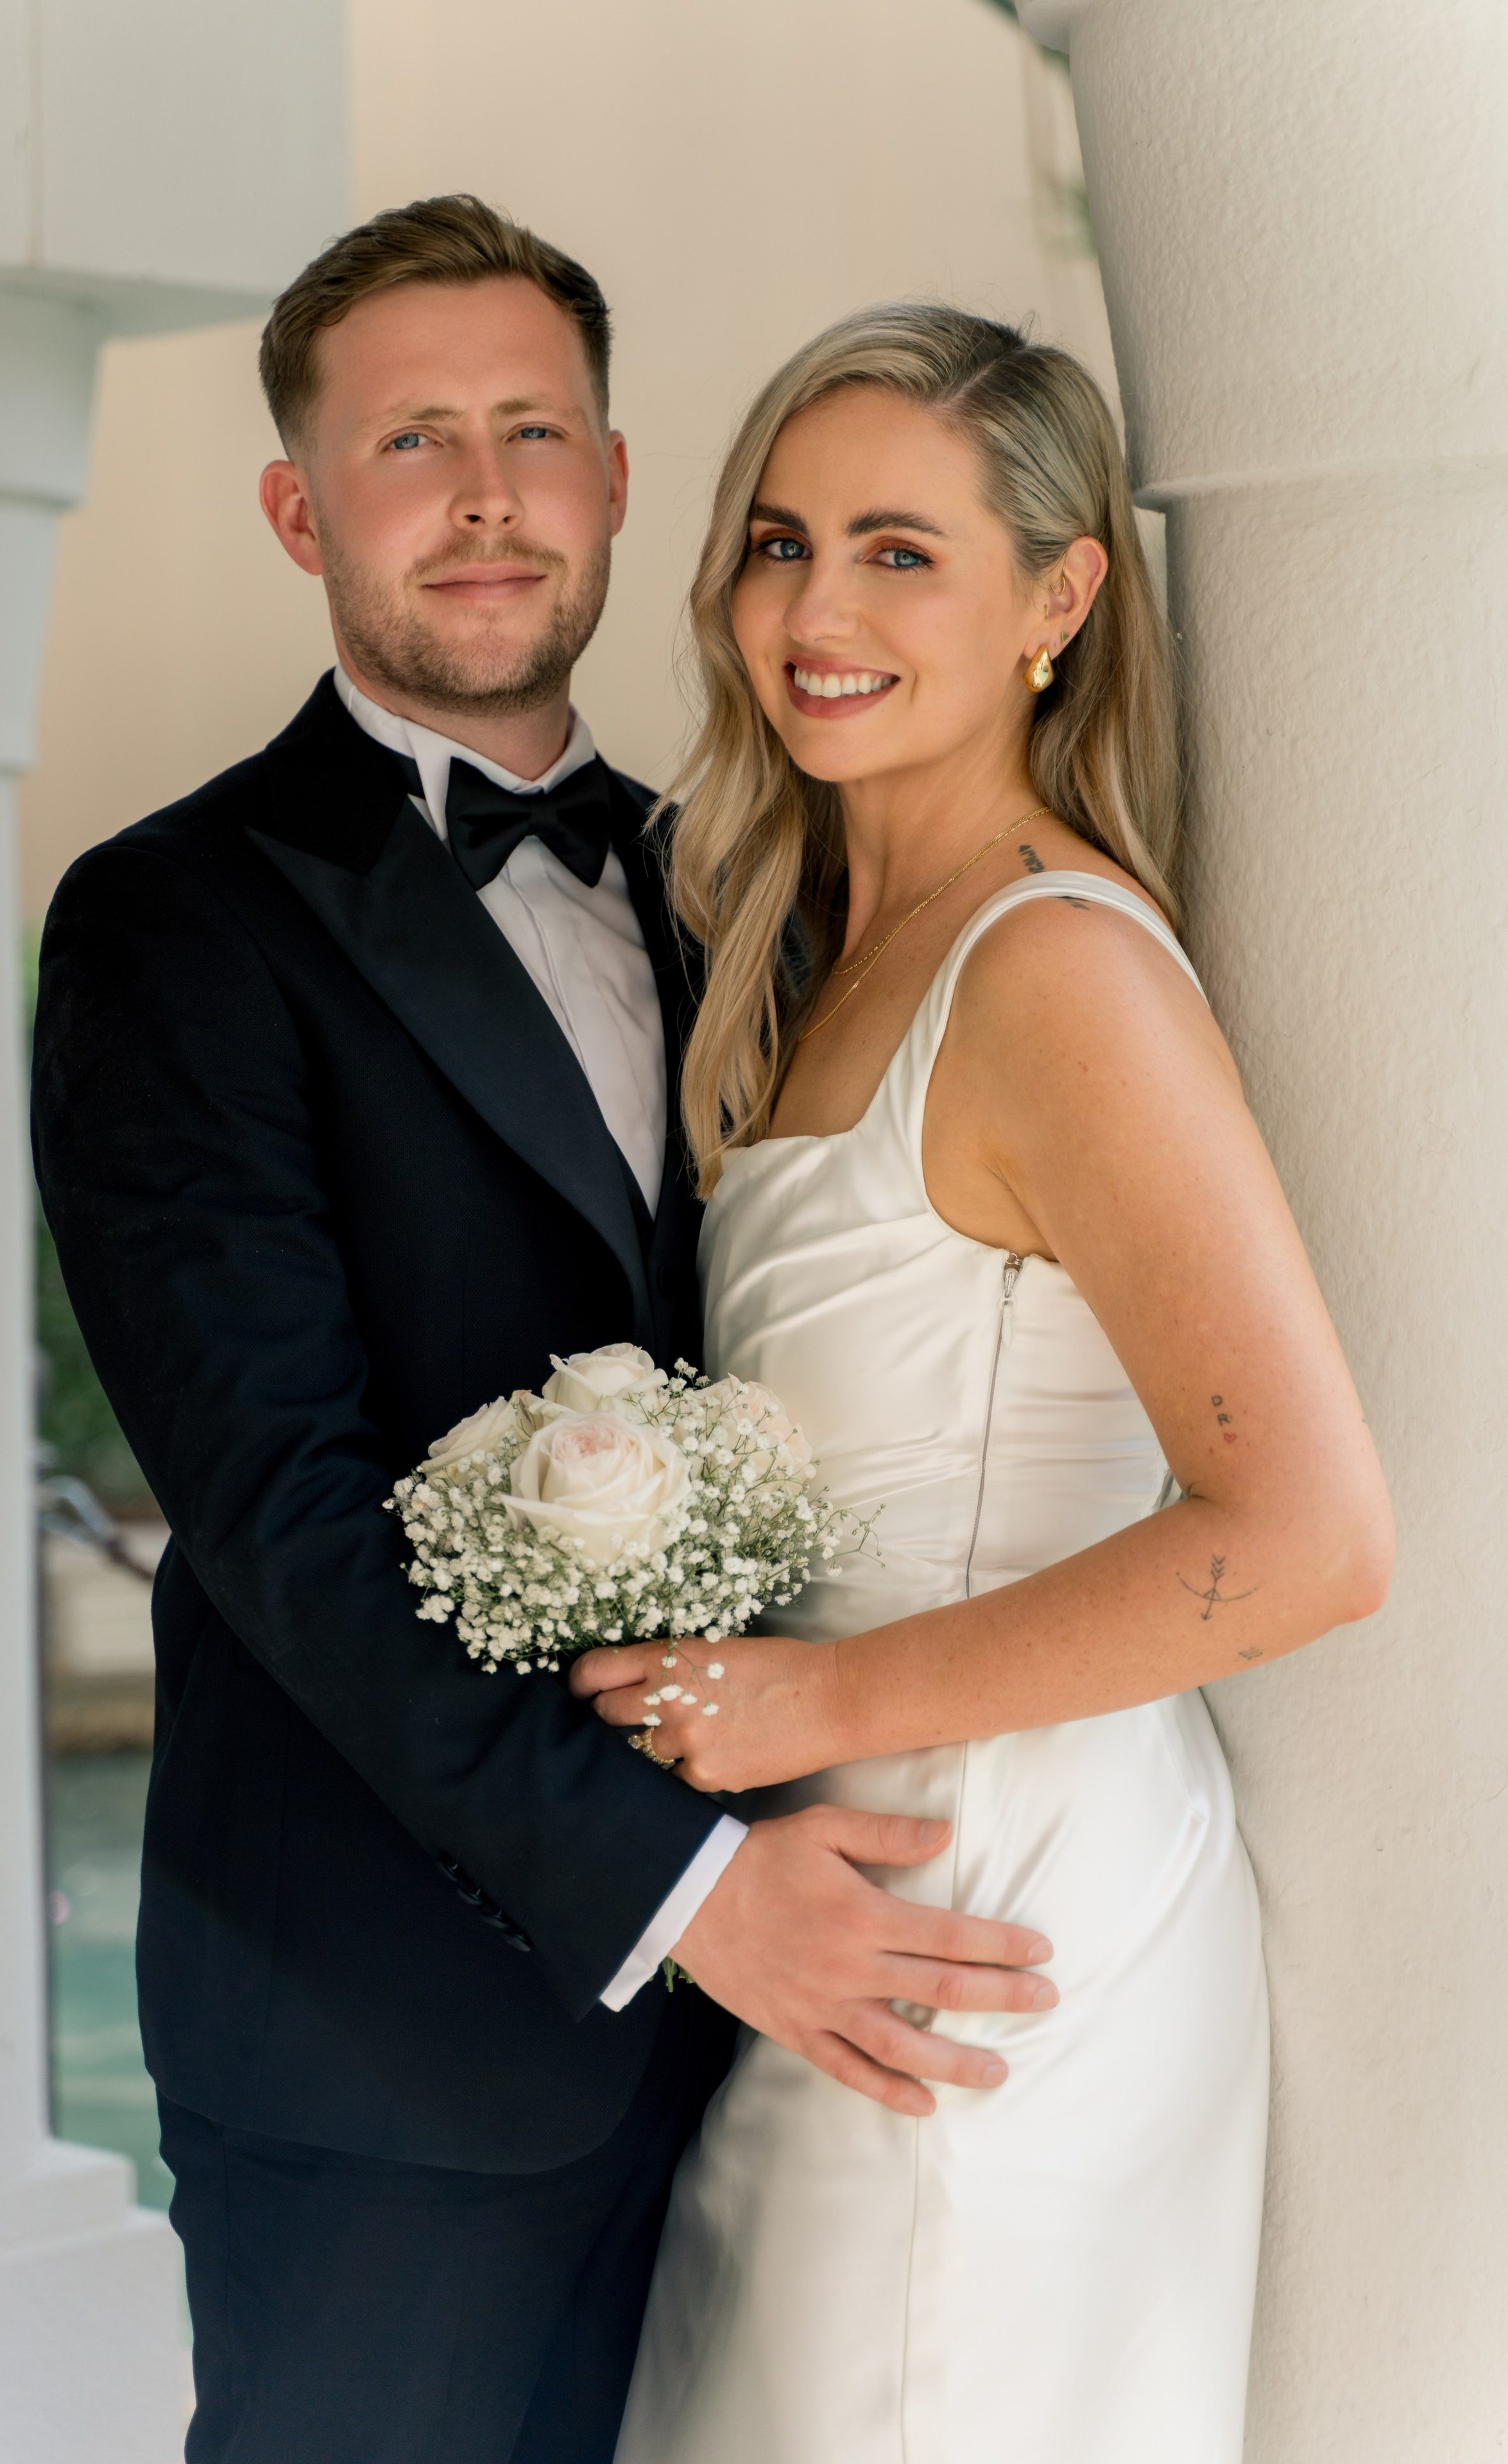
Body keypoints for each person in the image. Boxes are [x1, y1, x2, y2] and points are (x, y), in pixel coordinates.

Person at [30, 207, 1054, 2464]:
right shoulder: (173, 925)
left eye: (530, 433)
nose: (483, 496)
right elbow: (284, 1516)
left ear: (610, 481)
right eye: (411, 441)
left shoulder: (748, 890)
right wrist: (691, 1895)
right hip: (386, 2048)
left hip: (775, 2033)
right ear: (303, 508)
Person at [570, 304, 1394, 2463]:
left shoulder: (1055, 971)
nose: (813, 612)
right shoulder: (808, 947)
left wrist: (815, 1708)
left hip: (1005, 1921)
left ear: (1060, 594)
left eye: (898, 552)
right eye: (778, 540)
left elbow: (1310, 1533)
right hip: (835, 1902)